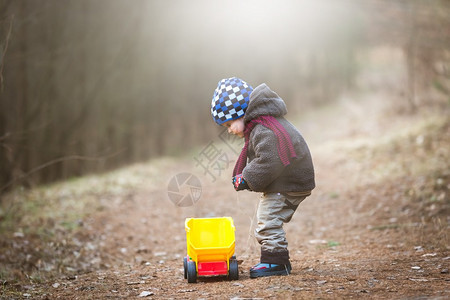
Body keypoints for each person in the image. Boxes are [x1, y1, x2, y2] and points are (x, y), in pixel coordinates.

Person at [210, 77, 315, 278]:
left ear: (241, 113)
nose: (230, 130)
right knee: (269, 217)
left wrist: (247, 178)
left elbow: (270, 161)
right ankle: (275, 260)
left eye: (230, 124)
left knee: (268, 219)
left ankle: (276, 263)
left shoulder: (264, 128)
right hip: (289, 180)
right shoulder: (262, 124)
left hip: (289, 182)